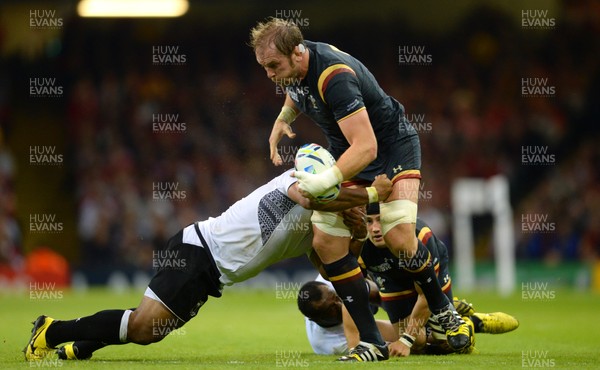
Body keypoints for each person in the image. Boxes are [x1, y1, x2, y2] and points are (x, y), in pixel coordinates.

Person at [250, 17, 471, 362]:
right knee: (326, 243)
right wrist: (283, 119)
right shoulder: (295, 68)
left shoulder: (334, 78)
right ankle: (371, 341)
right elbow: (297, 93)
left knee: (398, 237)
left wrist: (324, 183)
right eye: (264, 67)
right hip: (349, 153)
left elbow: (367, 147)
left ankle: (444, 310)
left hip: (391, 148)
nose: (269, 75)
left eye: (273, 66)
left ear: (297, 52)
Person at [23, 169, 392, 362]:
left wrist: (357, 235)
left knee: (149, 328)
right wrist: (370, 194)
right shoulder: (305, 174)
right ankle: (52, 331)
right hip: (199, 251)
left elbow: (331, 273)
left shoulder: (324, 229)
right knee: (144, 327)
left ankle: (78, 348)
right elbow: (305, 195)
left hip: (211, 271)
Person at [298, 204, 519, 357]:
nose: (374, 229)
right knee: (421, 341)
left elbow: (425, 292)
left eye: (380, 220)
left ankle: (468, 322)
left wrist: (406, 341)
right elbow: (350, 302)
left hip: (425, 279)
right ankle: (465, 320)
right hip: (390, 280)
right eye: (369, 222)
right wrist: (360, 347)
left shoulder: (418, 237)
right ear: (320, 321)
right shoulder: (326, 344)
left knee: (440, 338)